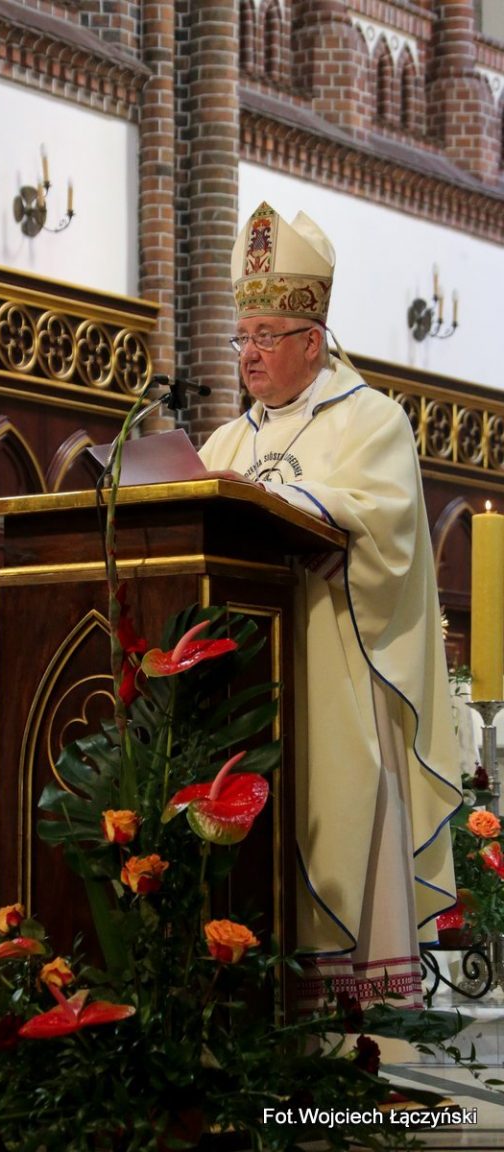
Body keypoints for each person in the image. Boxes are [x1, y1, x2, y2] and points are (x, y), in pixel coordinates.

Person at [200, 201, 462, 1009]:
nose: (249, 354)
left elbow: (385, 527)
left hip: (336, 674)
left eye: (266, 336)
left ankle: (352, 1013)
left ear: (312, 341)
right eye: (241, 338)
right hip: (246, 686)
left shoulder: (372, 421)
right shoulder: (226, 443)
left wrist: (283, 500)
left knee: (335, 816)